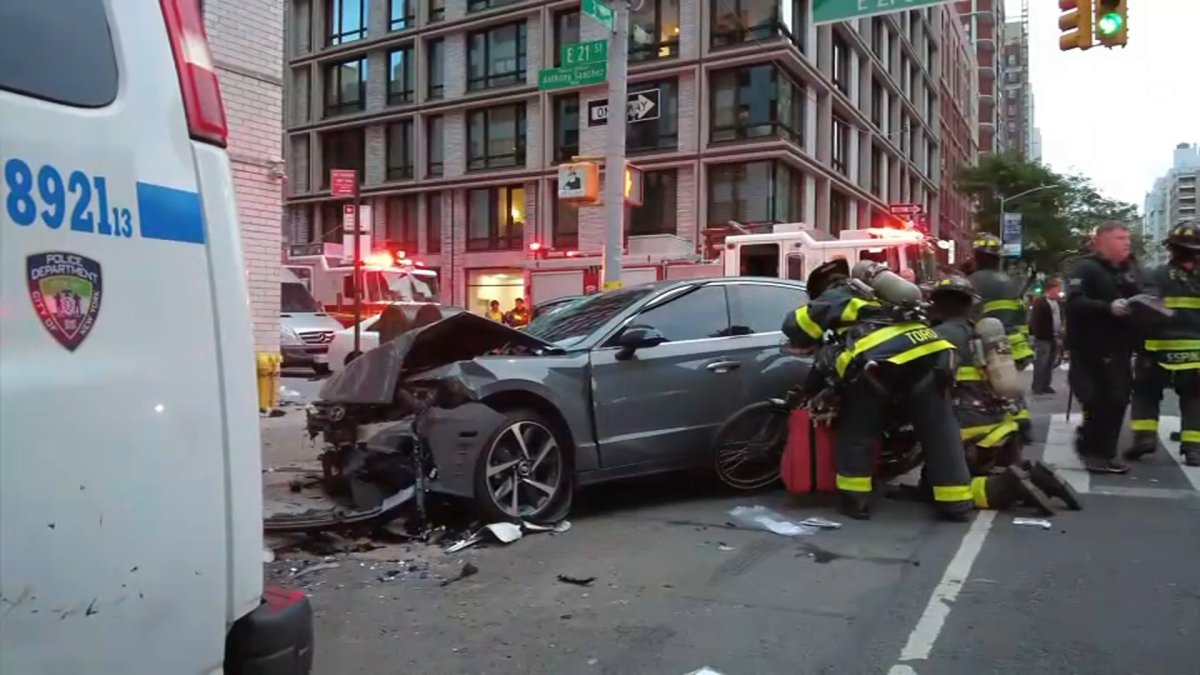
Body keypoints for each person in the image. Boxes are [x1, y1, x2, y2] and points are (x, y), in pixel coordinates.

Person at [781, 259, 975, 522]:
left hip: (880, 364)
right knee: (940, 431)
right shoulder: (883, 298)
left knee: (857, 429)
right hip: (933, 353)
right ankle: (955, 504)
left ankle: (855, 501)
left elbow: (795, 325)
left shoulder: (840, 294)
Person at [928, 276, 1079, 512]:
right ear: (971, 305)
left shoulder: (935, 337)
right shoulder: (986, 335)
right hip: (1003, 427)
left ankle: (1008, 487)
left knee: (939, 488)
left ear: (936, 305)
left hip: (964, 433)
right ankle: (1038, 476)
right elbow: (1014, 382)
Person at [1066, 221, 1143, 473]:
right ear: (1102, 241)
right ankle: (1092, 449)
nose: (1126, 243)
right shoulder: (1086, 268)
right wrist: (1107, 307)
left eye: (1127, 238)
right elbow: (1074, 303)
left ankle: (1105, 452)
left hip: (1120, 348)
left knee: (1118, 400)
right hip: (1090, 349)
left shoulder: (1129, 269)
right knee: (1096, 401)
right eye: (1120, 238)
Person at [1128, 221, 1200, 466]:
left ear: (1171, 249)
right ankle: (1193, 449)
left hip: (1156, 351)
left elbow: (1142, 309)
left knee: (1145, 393)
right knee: (1194, 399)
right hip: (1195, 354)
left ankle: (1145, 438)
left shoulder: (1155, 273)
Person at [967, 233, 1034, 440]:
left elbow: (969, 315)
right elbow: (1022, 314)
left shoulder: (972, 282)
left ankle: (1002, 425)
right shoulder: (1011, 282)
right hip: (1017, 343)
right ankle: (1022, 420)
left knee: (989, 386)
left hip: (988, 343)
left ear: (977, 256)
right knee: (1008, 384)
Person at [1029, 278, 1065, 394]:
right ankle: (1037, 386)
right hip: (1043, 338)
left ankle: (1046, 384)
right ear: (1051, 289)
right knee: (1041, 363)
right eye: (1057, 289)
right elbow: (1035, 321)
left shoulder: (1057, 303)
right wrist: (1039, 334)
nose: (1059, 292)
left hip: (1054, 337)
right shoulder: (1040, 302)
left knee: (1050, 363)